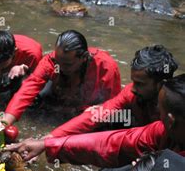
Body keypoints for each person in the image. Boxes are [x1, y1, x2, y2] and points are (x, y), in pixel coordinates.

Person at [5, 74, 185, 167]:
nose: (133, 88)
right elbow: (113, 142)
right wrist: (48, 142)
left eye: (140, 83)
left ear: (171, 120)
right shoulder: (159, 129)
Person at [49, 45, 178, 137]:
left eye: (140, 84)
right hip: (138, 130)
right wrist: (49, 139)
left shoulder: (177, 110)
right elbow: (96, 116)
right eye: (133, 81)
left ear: (160, 85)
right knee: (98, 116)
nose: (132, 88)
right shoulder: (131, 93)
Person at [1, 30, 121, 126]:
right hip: (60, 94)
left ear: (84, 57)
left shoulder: (106, 67)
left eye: (67, 64)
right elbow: (28, 89)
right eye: (58, 62)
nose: (60, 67)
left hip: (88, 108)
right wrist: (5, 121)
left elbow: (114, 104)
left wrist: (97, 109)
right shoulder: (51, 60)